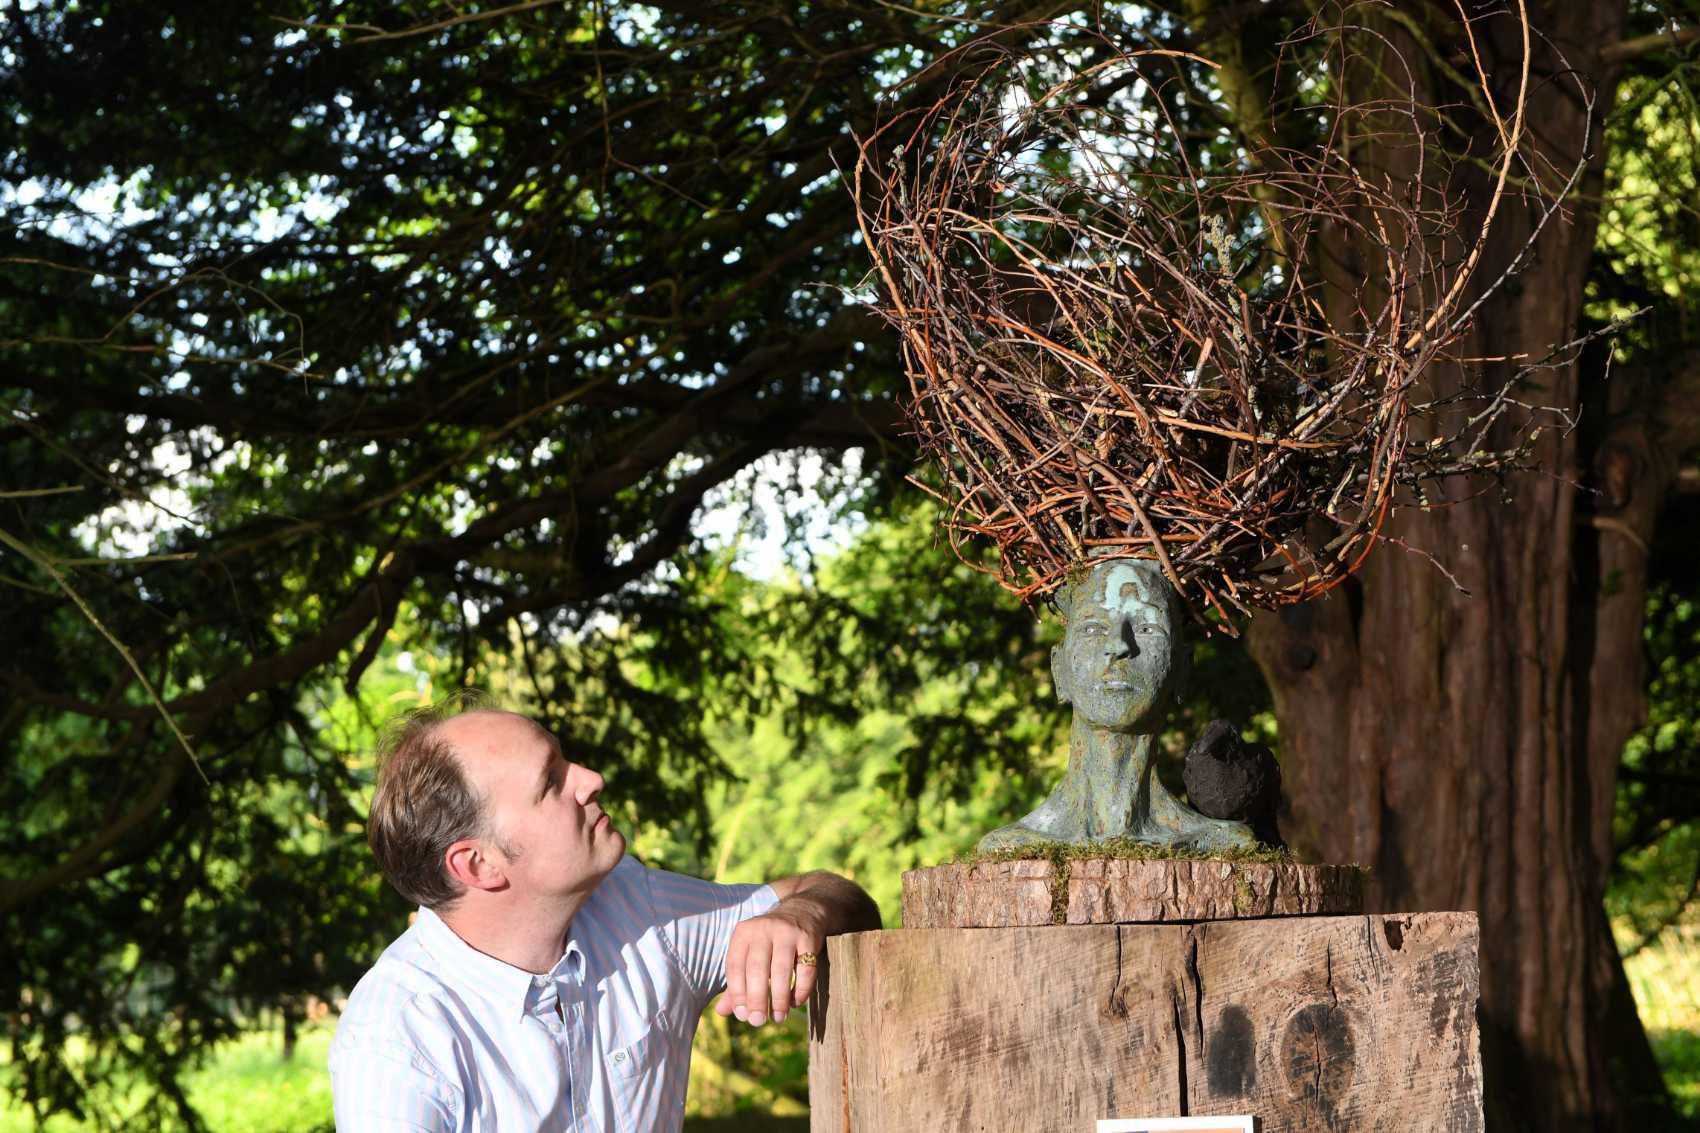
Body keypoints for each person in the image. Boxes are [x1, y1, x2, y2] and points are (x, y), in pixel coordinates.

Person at [329, 700, 880, 1132]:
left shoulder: (637, 908)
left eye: (564, 758)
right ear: (479, 864)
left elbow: (842, 898)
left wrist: (802, 915)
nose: (590, 779)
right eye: (552, 782)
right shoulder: (395, 1039)